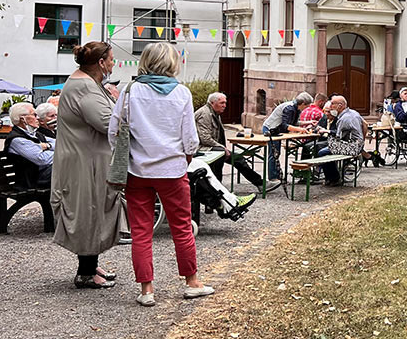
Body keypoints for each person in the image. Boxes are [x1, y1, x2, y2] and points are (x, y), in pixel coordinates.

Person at [108, 42, 213, 307]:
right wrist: (186, 156)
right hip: (172, 170)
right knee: (182, 227)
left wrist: (128, 156)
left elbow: (114, 132)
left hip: (137, 172)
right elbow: (190, 138)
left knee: (141, 231)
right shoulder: (181, 93)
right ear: (172, 63)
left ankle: (147, 289)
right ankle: (191, 282)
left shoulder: (129, 91)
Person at [53, 42, 124, 290]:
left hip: (87, 157)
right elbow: (107, 123)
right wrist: (119, 106)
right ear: (101, 63)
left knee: (93, 209)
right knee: (88, 209)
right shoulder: (84, 86)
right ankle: (85, 272)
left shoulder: (85, 83)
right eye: (112, 59)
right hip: (84, 161)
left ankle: (91, 265)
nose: (114, 64)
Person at [195, 92, 269, 191]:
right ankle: (217, 190)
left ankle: (260, 184)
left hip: (214, 148)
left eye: (225, 103)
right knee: (221, 159)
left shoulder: (215, 112)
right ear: (212, 103)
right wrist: (222, 148)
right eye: (222, 103)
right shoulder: (205, 114)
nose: (224, 106)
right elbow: (205, 139)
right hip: (202, 149)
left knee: (238, 159)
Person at [261, 92, 313, 181]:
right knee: (274, 153)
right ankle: (273, 177)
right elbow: (285, 125)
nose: (307, 108)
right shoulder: (289, 108)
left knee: (277, 153)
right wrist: (301, 130)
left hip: (277, 130)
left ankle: (277, 175)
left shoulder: (296, 108)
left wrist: (308, 122)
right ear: (303, 103)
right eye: (307, 106)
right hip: (271, 129)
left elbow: (294, 123)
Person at [317, 95, 364, 186]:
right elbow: (365, 125)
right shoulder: (354, 113)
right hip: (357, 144)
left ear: (340, 105)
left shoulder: (344, 118)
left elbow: (338, 137)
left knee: (322, 152)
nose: (330, 106)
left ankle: (334, 178)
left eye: (332, 104)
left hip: (351, 147)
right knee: (325, 147)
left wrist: (327, 134)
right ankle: (332, 177)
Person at [5, 102, 55, 187]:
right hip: (31, 180)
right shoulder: (17, 139)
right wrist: (63, 154)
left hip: (43, 174)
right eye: (34, 115)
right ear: (22, 119)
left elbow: (58, 143)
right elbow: (42, 159)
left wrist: (47, 146)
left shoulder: (35, 134)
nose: (38, 118)